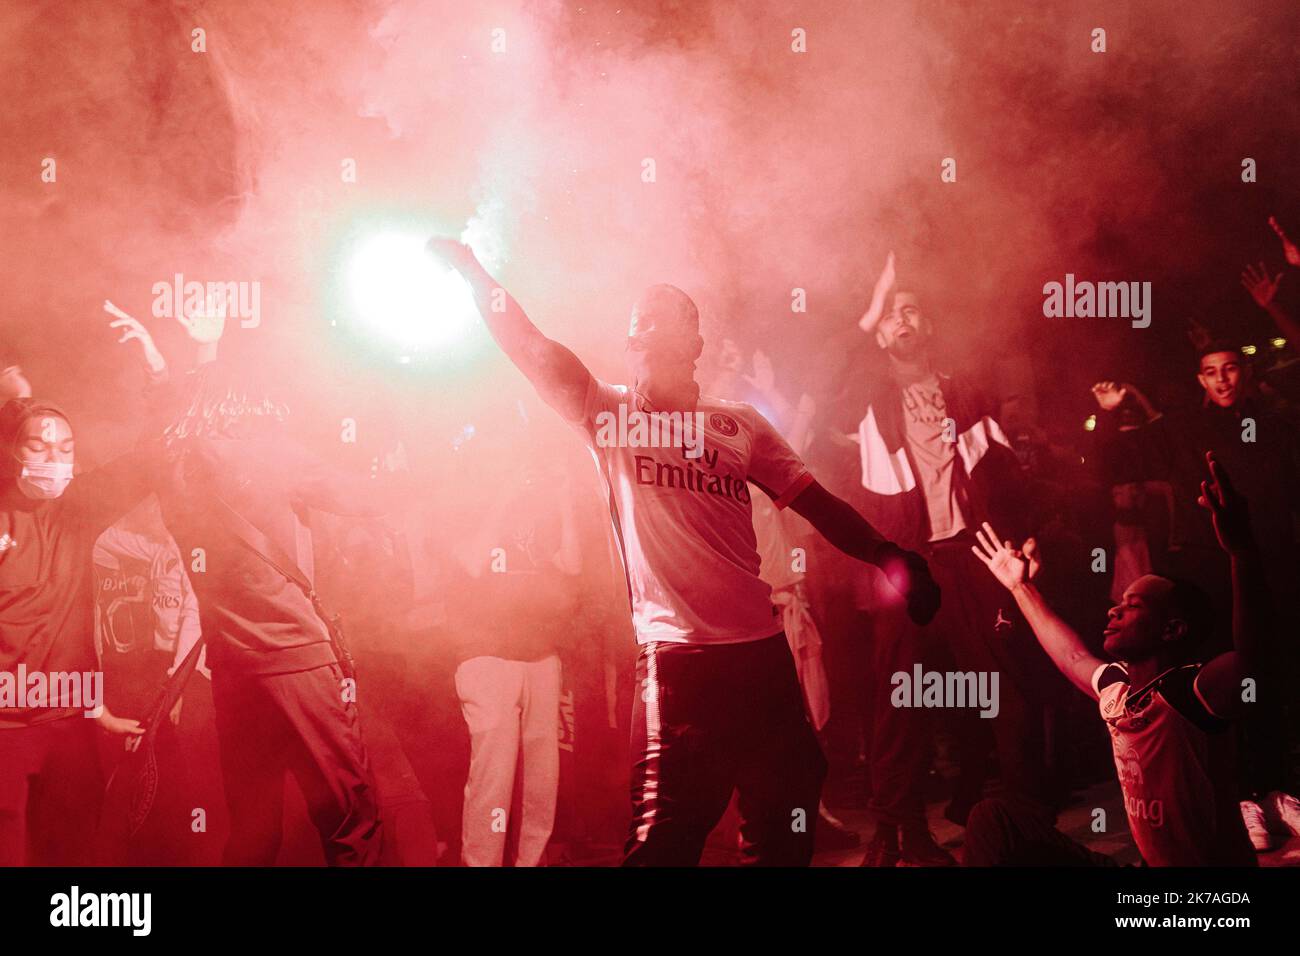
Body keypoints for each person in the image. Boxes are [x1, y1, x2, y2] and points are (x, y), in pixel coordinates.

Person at [428, 237, 940, 866]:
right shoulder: (608, 414)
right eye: (635, 332)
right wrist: (475, 273)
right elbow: (532, 349)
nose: (640, 340)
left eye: (659, 328)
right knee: (663, 840)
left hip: (762, 656)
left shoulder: (738, 424)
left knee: (785, 819)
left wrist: (891, 555)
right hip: (678, 663)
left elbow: (818, 504)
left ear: (694, 345)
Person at [149, 305, 385, 866]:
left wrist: (194, 359)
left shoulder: (176, 470)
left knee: (254, 830)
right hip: (297, 660)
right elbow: (367, 500)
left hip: (236, 672)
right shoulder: (272, 454)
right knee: (351, 820)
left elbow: (177, 424)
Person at [845, 252, 1050, 865]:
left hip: (970, 553)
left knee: (1002, 687)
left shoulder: (965, 389)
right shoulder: (866, 394)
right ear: (879, 333)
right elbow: (832, 371)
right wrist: (869, 309)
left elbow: (1003, 470)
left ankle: (1022, 822)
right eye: (891, 316)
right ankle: (899, 833)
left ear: (928, 326)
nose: (902, 321)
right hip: (904, 561)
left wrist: (1025, 532)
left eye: (912, 311)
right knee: (899, 699)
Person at [964, 453, 1261, 866]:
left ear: (1172, 630)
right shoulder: (1118, 692)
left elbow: (1254, 660)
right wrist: (1019, 588)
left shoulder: (1192, 692)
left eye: (1134, 605)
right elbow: (1070, 654)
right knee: (993, 819)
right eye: (1119, 603)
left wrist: (1242, 553)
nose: (1113, 611)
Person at [446, 425, 581, 866]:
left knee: (542, 778)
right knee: (493, 777)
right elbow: (469, 562)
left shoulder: (541, 506)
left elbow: (572, 563)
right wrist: (502, 501)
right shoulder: (463, 501)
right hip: (488, 657)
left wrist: (562, 498)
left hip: (541, 655)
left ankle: (531, 861)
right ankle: (481, 862)